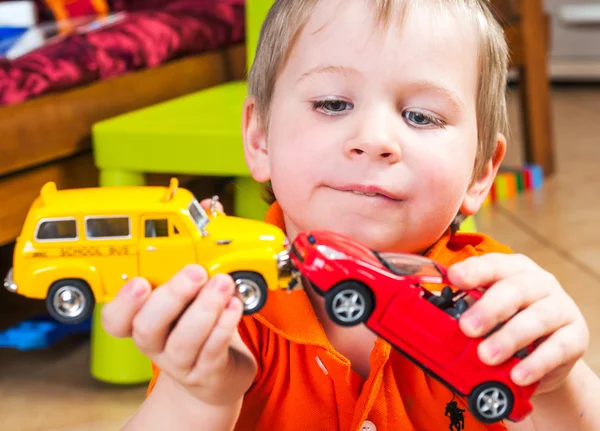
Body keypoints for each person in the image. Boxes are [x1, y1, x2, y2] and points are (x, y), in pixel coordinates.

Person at [102, 0, 600, 429]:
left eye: (421, 116)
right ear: (259, 139)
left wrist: (559, 384)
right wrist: (197, 398)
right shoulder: (227, 300)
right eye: (334, 103)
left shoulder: (492, 304)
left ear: (479, 172)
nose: (374, 140)